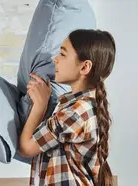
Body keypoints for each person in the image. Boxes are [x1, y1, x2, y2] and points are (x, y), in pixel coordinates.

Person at [18, 29, 116, 186]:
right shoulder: (83, 106)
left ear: (84, 67)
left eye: (63, 54)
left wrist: (40, 106)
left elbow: (26, 148)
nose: (55, 59)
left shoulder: (75, 113)